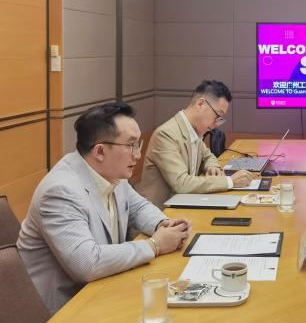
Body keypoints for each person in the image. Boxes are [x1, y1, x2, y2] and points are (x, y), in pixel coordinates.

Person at [17, 103, 190, 314]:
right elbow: (87, 264)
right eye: (132, 145)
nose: (138, 154)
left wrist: (163, 224)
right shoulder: (61, 191)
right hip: (66, 308)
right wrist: (155, 245)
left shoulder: (111, 172)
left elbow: (138, 207)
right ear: (100, 151)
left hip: (105, 287)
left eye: (138, 145)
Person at [137, 80, 253, 208]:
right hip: (161, 213)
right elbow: (182, 183)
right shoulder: (166, 135)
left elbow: (208, 156)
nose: (216, 124)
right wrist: (229, 181)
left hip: (184, 204)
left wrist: (212, 167)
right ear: (200, 104)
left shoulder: (194, 130)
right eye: (217, 115)